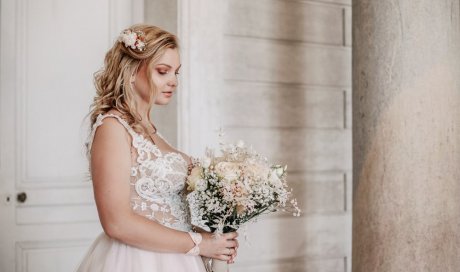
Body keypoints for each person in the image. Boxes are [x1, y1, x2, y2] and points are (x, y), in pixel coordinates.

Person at [76, 24, 238, 272]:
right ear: (131, 71)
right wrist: (199, 243)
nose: (173, 81)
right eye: (163, 71)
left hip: (177, 258)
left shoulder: (150, 129)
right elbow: (116, 222)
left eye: (176, 73)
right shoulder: (112, 128)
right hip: (136, 261)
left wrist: (214, 240)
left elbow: (168, 215)